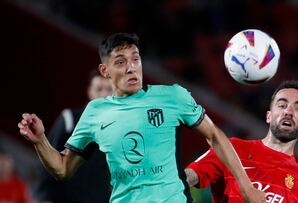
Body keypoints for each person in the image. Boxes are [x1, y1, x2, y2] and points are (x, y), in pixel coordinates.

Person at [18, 32, 265, 203]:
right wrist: (40, 140)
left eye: (135, 59)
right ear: (105, 71)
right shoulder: (95, 112)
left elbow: (215, 136)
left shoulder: (173, 97)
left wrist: (246, 186)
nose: (131, 67)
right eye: (121, 61)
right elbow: (63, 169)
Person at [185, 80, 298, 203]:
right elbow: (191, 175)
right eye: (282, 105)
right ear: (269, 116)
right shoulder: (231, 149)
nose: (288, 111)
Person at [36, 70, 112, 203]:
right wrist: (45, 198)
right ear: (89, 91)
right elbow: (48, 163)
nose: (104, 94)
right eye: (99, 89)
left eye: (109, 89)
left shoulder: (119, 128)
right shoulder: (69, 120)